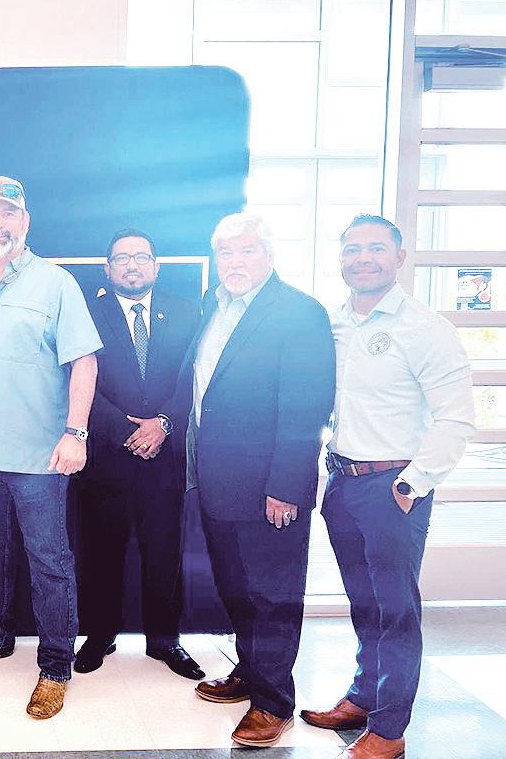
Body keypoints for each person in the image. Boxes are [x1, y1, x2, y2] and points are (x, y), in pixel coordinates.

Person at [300, 215, 475, 759]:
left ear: (400, 257)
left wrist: (411, 484)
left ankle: (390, 729)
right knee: (364, 603)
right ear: (340, 260)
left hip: (393, 488)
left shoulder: (425, 328)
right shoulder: (332, 325)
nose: (363, 258)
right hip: (343, 483)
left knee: (396, 610)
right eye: (352, 249)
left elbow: (456, 418)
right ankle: (363, 696)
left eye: (376, 248)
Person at [0, 176, 101, 719]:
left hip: (40, 456)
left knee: (48, 560)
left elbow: (84, 360)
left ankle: (56, 666)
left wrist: (76, 432)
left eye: (8, 214)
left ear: (25, 222)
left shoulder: (55, 283)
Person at [179, 213, 335, 747]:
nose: (235, 261)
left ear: (268, 255)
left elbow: (307, 407)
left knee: (273, 595)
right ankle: (249, 671)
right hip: (217, 482)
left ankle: (273, 702)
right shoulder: (214, 305)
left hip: (270, 488)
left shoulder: (299, 312)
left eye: (247, 250)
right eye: (226, 252)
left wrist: (287, 486)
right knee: (237, 588)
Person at [71, 228, 203, 680]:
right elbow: (74, 377)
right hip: (106, 456)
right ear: (107, 268)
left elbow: (193, 379)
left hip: (165, 457)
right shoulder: (87, 314)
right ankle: (99, 635)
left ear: (156, 266)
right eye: (122, 258)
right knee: (100, 552)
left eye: (141, 257)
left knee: (164, 553)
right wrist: (126, 431)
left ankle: (165, 640)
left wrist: (162, 424)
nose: (132, 265)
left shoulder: (187, 313)